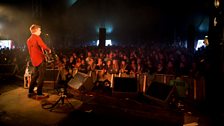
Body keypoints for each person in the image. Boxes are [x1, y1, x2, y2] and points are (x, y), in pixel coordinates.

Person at [27, 24, 51, 100]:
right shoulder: (37, 37)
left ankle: (30, 91)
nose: (40, 31)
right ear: (36, 30)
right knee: (41, 76)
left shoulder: (28, 39)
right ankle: (39, 93)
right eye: (40, 30)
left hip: (34, 60)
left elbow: (31, 51)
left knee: (35, 76)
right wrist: (48, 49)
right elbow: (42, 45)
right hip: (40, 59)